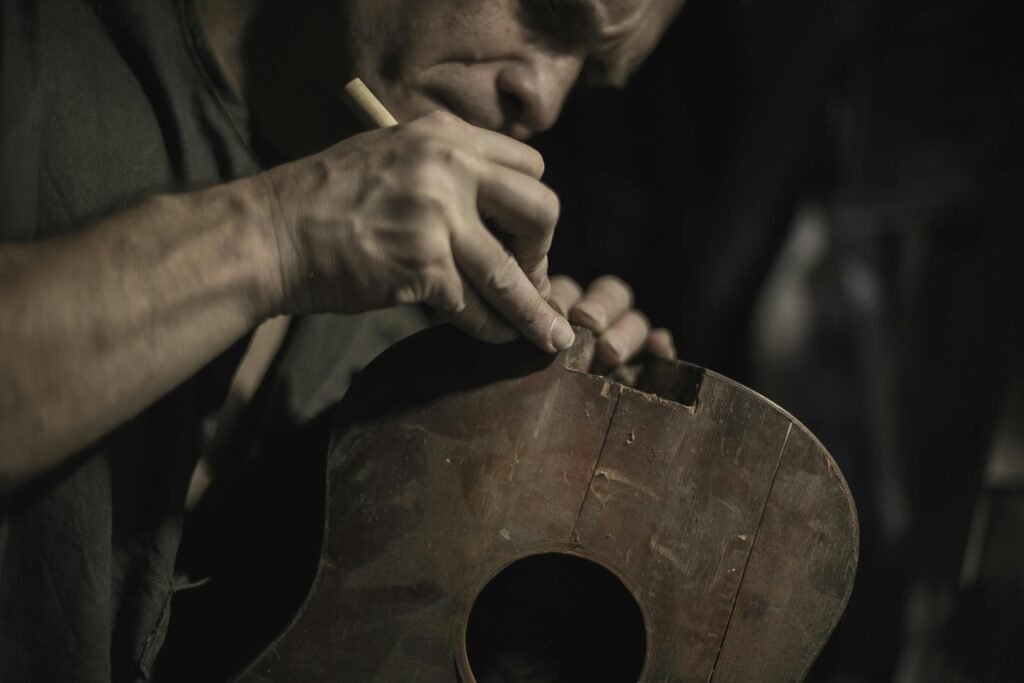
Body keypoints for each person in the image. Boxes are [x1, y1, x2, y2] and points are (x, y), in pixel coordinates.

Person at [0, 0, 685, 680]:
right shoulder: (38, 48)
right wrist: (280, 235)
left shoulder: (400, 337)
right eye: (545, 10)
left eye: (589, 73)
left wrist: (543, 486)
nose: (543, 98)